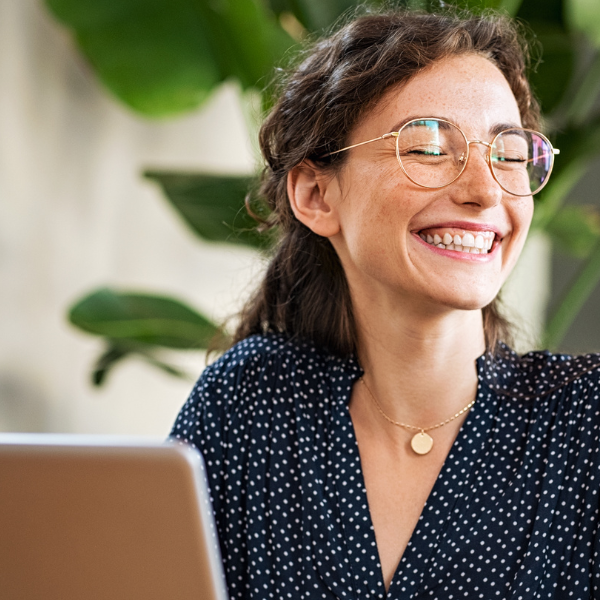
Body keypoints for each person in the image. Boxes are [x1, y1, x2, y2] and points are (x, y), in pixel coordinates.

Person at [171, 8, 600, 599]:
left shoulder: (583, 421)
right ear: (318, 194)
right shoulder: (248, 407)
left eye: (507, 154)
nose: (483, 189)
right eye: (427, 147)